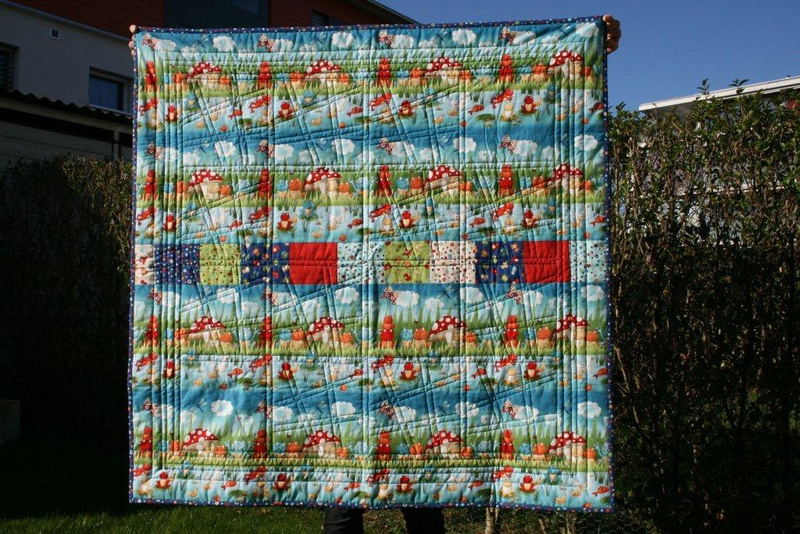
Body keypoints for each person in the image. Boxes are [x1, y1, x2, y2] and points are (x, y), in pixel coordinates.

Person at [126, 13, 621, 534]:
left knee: (417, 487)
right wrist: (151, 54)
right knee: (357, 499)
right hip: (340, 351)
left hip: (403, 351)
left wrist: (592, 41)